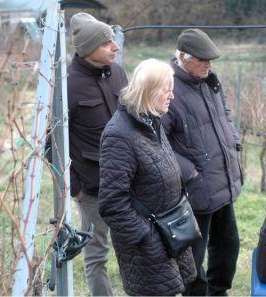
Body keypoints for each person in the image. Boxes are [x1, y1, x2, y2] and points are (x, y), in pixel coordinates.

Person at [98, 59, 195, 296]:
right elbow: (112, 204)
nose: (172, 96)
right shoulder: (119, 136)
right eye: (167, 90)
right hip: (149, 246)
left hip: (170, 233)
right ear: (149, 92)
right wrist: (146, 237)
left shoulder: (151, 121)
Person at [161, 29, 243, 296]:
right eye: (203, 59)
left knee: (228, 244)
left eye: (211, 60)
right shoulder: (167, 87)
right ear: (184, 57)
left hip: (221, 178)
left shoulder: (209, 80)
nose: (209, 64)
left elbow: (224, 115)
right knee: (193, 256)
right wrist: (190, 172)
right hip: (194, 188)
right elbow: (157, 141)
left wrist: (233, 140)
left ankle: (218, 292)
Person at [66, 12, 127, 296]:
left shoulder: (117, 72)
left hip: (127, 181)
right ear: (89, 49)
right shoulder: (68, 84)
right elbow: (51, 142)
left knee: (134, 246)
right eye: (107, 43)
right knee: (97, 255)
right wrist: (75, 188)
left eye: (114, 41)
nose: (115, 47)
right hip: (92, 187)